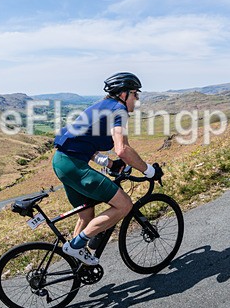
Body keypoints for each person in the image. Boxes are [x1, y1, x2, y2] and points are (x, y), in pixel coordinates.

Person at [52, 72, 163, 266]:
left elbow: (84, 141)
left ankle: (76, 267)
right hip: (73, 165)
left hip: (62, 162)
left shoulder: (104, 107)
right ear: (123, 94)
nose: (137, 99)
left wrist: (110, 164)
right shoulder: (118, 110)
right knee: (124, 205)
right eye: (135, 94)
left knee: (86, 215)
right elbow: (122, 149)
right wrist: (149, 171)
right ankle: (76, 245)